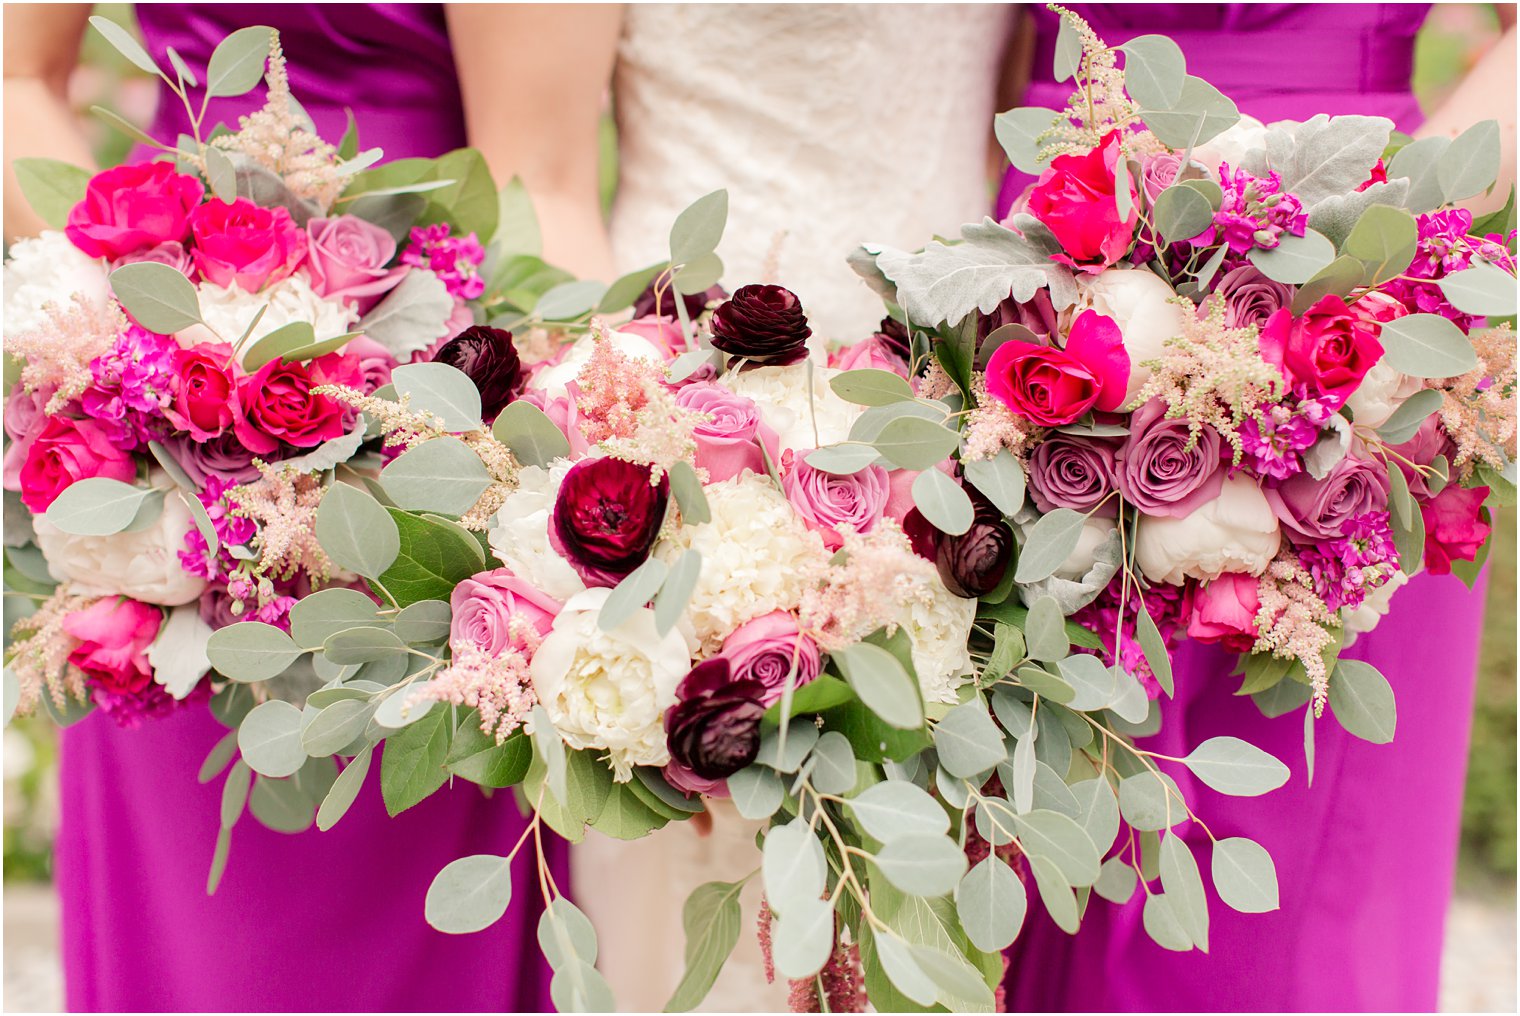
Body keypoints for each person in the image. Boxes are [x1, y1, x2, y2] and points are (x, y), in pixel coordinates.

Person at [2, 6, 570, 1009]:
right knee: (195, 942)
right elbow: (15, 74)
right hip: (166, 476)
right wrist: (139, 353)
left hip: (413, 466)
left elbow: (539, 174)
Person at [459, 4, 1020, 1008]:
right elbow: (534, 174)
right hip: (682, 431)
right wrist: (623, 480)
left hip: (968, 448)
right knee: (711, 950)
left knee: (936, 925)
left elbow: (1000, 121)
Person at [994, 6, 1516, 1011]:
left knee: (1292, 884)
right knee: (1048, 815)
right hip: (1066, 262)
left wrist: (1370, 256)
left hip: (1355, 283)